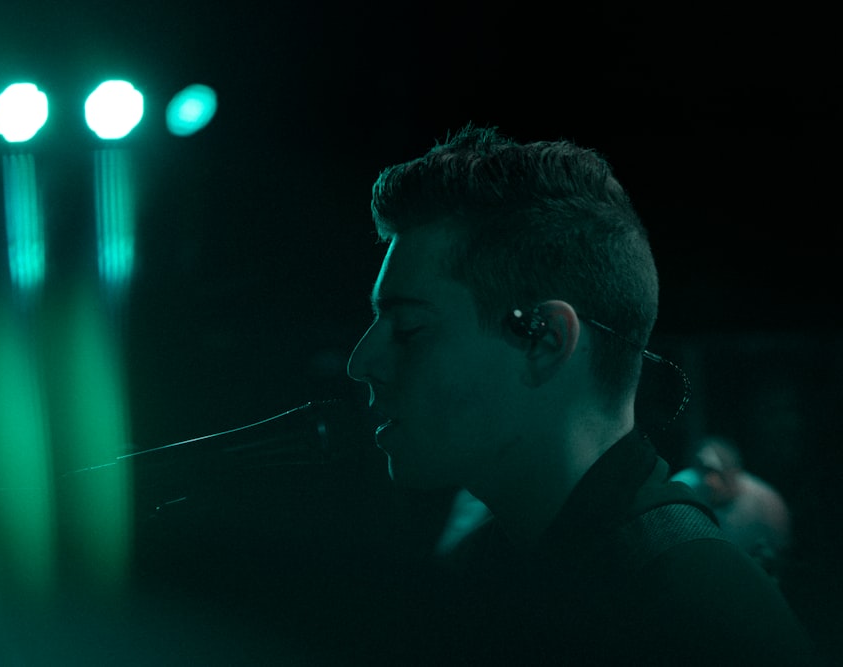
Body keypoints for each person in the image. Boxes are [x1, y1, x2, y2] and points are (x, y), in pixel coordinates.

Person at [345, 126, 817, 665]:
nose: (362, 362)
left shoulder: (696, 614)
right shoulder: (506, 568)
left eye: (407, 328)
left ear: (545, 340)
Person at [672, 435, 793, 578]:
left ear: (735, 472)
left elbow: (781, 553)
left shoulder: (767, 504)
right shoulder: (681, 489)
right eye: (704, 471)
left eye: (718, 473)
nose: (710, 481)